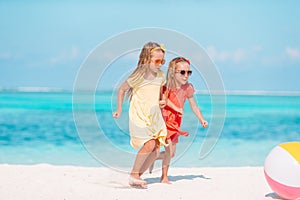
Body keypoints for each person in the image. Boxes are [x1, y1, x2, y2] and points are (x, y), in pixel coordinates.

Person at [113, 42, 168, 188]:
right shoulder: (139, 76)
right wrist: (119, 109)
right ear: (146, 60)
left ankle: (137, 177)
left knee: (156, 149)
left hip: (154, 115)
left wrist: (163, 101)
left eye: (162, 61)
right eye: (157, 61)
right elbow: (122, 90)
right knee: (149, 144)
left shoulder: (161, 76)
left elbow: (161, 94)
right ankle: (134, 174)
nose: (160, 64)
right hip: (139, 114)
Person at [151, 57, 208, 184]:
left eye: (189, 72)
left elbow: (194, 105)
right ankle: (164, 177)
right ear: (173, 72)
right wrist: (176, 108)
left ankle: (153, 157)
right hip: (165, 120)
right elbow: (164, 101)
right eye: (182, 72)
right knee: (169, 150)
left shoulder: (188, 88)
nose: (186, 75)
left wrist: (201, 119)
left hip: (176, 122)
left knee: (171, 154)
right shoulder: (166, 86)